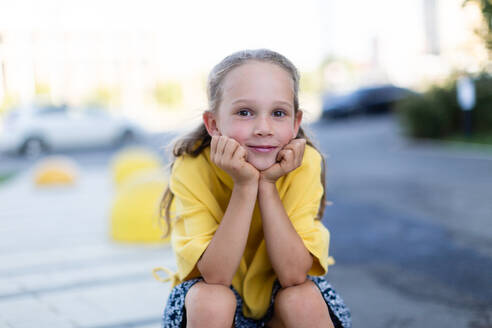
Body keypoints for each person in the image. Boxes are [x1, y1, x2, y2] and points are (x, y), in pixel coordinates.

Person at [157, 49, 351, 328]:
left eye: (278, 113)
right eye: (244, 112)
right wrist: (245, 185)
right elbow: (216, 276)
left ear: (296, 123)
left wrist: (268, 185)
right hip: (215, 305)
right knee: (212, 299)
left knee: (302, 298)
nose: (263, 128)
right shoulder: (192, 166)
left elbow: (294, 274)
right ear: (213, 124)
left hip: (281, 304)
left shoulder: (304, 163)